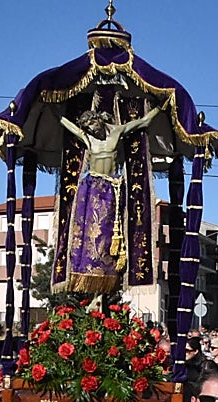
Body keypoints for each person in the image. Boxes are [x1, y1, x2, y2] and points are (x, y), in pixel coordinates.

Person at [58, 103, 162, 295]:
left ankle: (110, 277)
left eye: (93, 125)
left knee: (110, 233)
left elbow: (144, 121)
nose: (92, 129)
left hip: (112, 187)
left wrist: (159, 107)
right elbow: (67, 124)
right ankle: (87, 273)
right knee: (89, 233)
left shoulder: (117, 132)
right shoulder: (88, 138)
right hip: (93, 186)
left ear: (99, 120)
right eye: (88, 128)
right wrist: (51, 109)